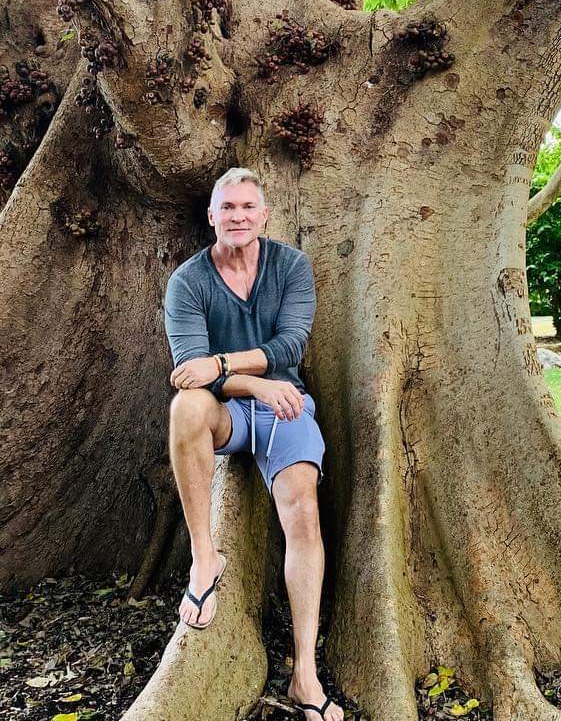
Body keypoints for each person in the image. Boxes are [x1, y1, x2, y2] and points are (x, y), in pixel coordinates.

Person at [163, 166, 344, 721]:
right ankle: (204, 559)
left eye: (248, 208)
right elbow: (190, 377)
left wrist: (224, 365)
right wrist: (251, 381)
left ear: (264, 216)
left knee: (304, 517)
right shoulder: (187, 282)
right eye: (228, 208)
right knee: (185, 406)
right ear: (211, 216)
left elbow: (291, 344)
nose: (238, 217)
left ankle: (305, 676)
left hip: (285, 407)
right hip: (229, 412)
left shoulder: (290, 266)